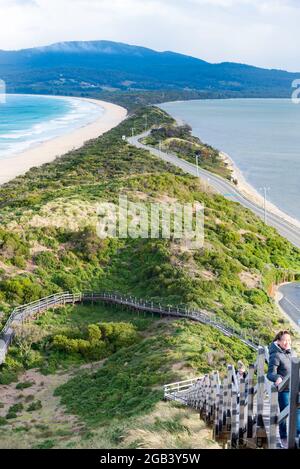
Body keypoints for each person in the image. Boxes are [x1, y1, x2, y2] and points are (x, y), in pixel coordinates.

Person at [267, 330, 300, 449]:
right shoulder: (275, 355)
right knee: (284, 414)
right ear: (278, 341)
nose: (287, 342)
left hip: (296, 388)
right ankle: (283, 437)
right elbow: (270, 374)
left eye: (289, 340)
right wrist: (277, 378)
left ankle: (297, 437)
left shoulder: (293, 353)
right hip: (284, 390)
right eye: (285, 340)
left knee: (297, 412)